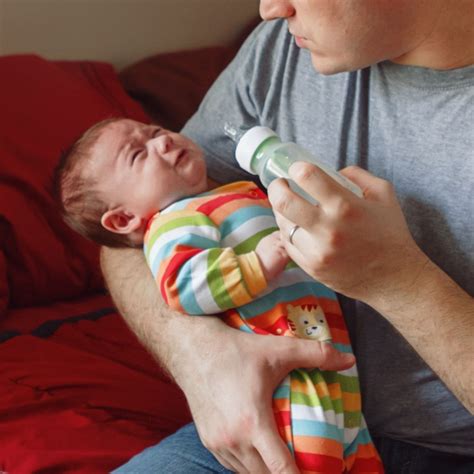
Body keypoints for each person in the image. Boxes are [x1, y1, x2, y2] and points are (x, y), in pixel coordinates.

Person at [101, 1, 474, 473]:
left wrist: (399, 281)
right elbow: (131, 235)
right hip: (279, 423)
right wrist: (200, 358)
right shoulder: (284, 50)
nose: (270, 9)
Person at [55, 117, 383, 472]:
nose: (162, 142)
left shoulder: (232, 193)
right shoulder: (173, 222)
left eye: (156, 132)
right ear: (123, 221)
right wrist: (258, 263)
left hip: (329, 357)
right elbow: (184, 286)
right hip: (287, 381)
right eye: (137, 154)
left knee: (358, 455)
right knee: (313, 460)